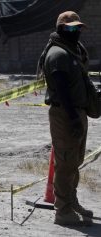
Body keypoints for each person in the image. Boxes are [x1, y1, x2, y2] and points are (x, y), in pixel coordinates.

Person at [38, 11, 94, 226]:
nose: (76, 32)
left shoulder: (72, 51)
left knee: (74, 162)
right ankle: (63, 211)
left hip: (76, 112)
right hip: (65, 114)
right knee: (65, 163)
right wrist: (72, 119)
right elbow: (61, 91)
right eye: (71, 28)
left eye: (78, 28)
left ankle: (71, 202)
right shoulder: (58, 54)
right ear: (61, 29)